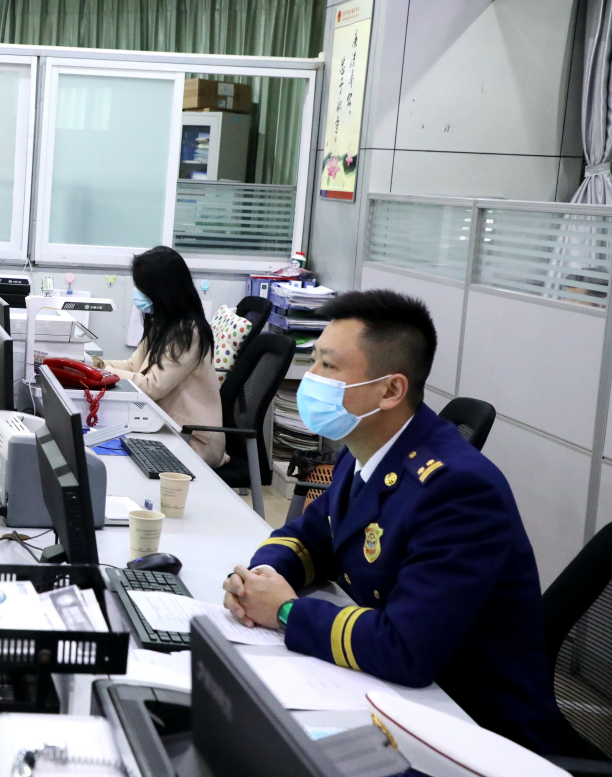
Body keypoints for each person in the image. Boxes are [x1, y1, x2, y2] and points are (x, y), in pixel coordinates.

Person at [221, 289, 560, 753]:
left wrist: (286, 612)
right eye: (314, 361)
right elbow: (310, 535)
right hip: (388, 697)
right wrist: (263, 577)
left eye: (328, 366)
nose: (311, 378)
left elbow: (407, 648)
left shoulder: (459, 490)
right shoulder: (363, 449)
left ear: (391, 390)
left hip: (473, 734)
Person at [93, 246, 225, 466]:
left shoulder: (189, 332)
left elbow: (151, 386)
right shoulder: (162, 322)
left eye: (141, 288)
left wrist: (102, 371)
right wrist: (92, 364)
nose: (138, 293)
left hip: (192, 439)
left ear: (161, 290)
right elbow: (133, 366)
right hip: (165, 424)